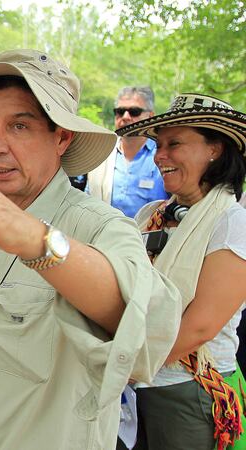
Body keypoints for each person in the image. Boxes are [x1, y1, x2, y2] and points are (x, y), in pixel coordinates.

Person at [0, 49, 181, 450]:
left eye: (19, 126)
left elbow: (147, 327)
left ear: (62, 137)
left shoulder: (99, 225)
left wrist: (37, 242)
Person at [116, 93, 246, 450]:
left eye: (175, 143)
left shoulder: (232, 224)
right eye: (159, 144)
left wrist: (122, 367)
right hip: (137, 390)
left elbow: (201, 326)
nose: (160, 155)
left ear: (214, 149)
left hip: (188, 393)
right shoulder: (150, 215)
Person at [87, 86, 169, 218]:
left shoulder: (164, 157)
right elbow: (88, 200)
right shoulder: (102, 154)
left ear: (151, 116)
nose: (125, 117)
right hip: (102, 235)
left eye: (134, 111)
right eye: (120, 111)